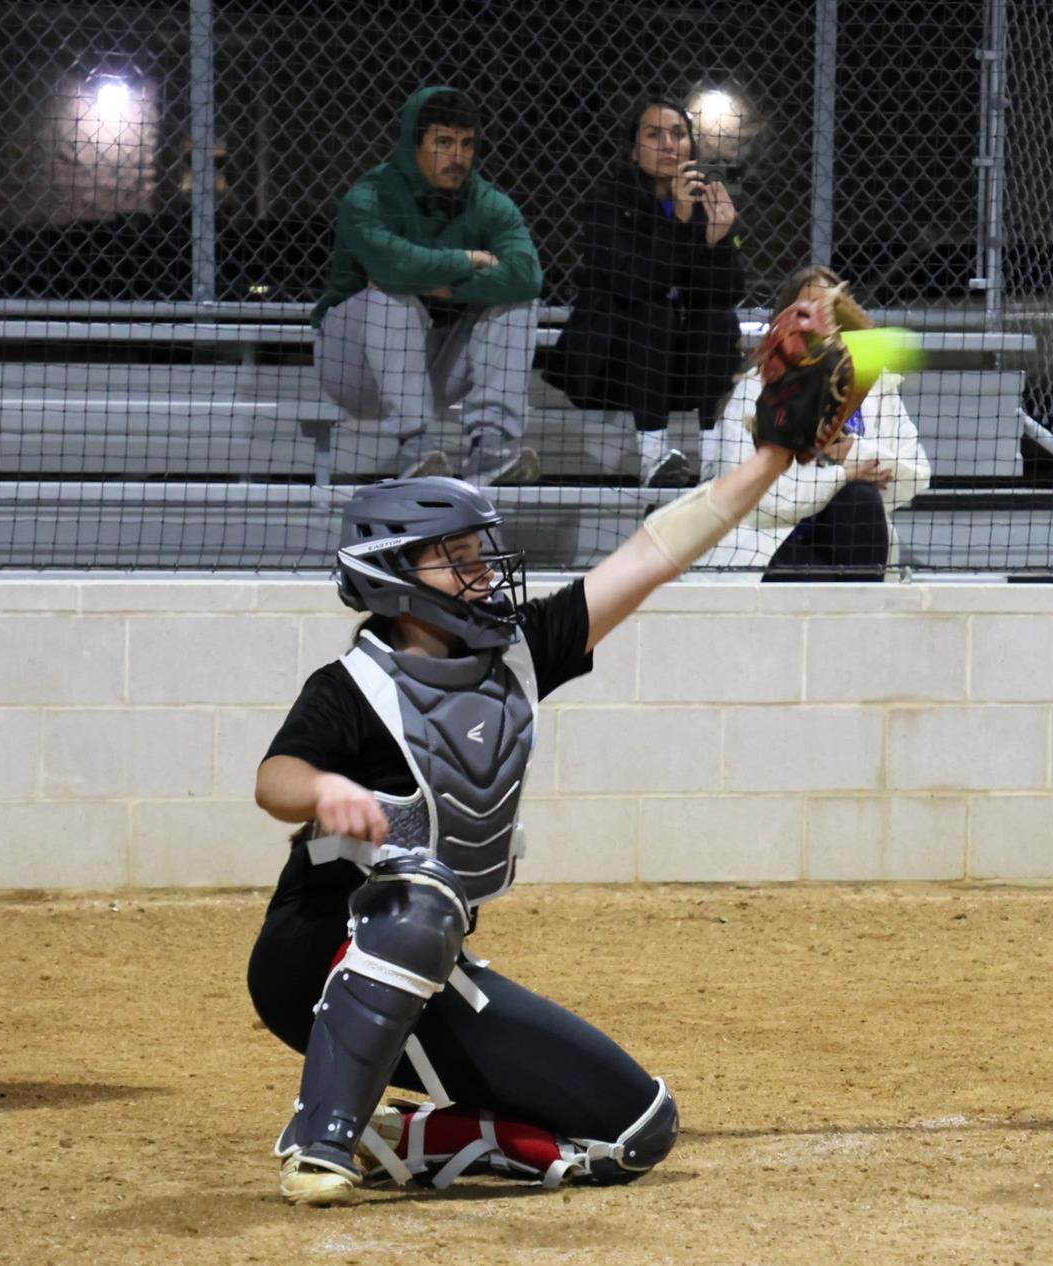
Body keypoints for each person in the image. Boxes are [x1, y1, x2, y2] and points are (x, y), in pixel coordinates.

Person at [247, 299, 876, 1206]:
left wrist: (771, 458)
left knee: (635, 1127)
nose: (479, 571)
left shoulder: (517, 654)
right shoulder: (352, 686)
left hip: (430, 972)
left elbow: (655, 554)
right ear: (390, 577)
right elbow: (275, 780)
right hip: (317, 960)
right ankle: (325, 1138)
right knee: (419, 896)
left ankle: (400, 1139)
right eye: (452, 557)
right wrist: (327, 789)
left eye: (479, 551)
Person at [311, 88, 544, 486]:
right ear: (414, 144)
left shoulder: (487, 202)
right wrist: (466, 261)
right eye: (443, 142)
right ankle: (414, 445)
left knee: (517, 301)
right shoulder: (369, 196)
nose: (458, 157)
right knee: (388, 292)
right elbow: (394, 268)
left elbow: (526, 273)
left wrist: (448, 289)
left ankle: (490, 445)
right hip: (351, 365)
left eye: (466, 144)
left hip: (429, 369)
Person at [542, 98, 746, 487]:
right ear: (634, 151)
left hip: (684, 368)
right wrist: (679, 224)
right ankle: (655, 457)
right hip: (617, 364)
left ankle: (714, 455)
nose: (669, 144)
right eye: (654, 135)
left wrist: (719, 241)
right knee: (652, 309)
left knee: (717, 318)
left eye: (678, 135)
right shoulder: (608, 203)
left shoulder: (704, 201)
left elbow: (728, 293)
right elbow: (635, 284)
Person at [702, 267, 929, 580]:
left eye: (832, 308)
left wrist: (851, 451)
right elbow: (760, 499)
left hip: (848, 538)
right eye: (809, 308)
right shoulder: (753, 390)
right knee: (825, 582)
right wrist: (841, 472)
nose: (823, 319)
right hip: (769, 541)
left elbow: (916, 474)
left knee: (860, 498)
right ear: (786, 320)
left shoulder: (879, 387)